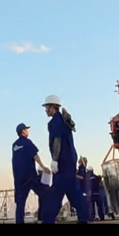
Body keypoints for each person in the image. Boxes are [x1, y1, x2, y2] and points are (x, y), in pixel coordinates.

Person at [41, 95, 89, 225]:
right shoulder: (64, 120)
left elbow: (57, 140)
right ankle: (84, 219)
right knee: (74, 193)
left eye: (46, 107)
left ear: (52, 107)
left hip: (62, 162)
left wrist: (55, 160)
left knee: (56, 194)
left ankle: (48, 221)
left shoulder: (54, 122)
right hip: (70, 161)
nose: (45, 110)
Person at [11, 123, 49, 224]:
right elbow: (35, 155)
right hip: (30, 176)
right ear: (23, 131)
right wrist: (43, 167)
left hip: (19, 179)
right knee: (45, 195)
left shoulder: (14, 145)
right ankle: (45, 218)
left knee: (20, 203)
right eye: (26, 129)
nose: (28, 131)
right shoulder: (27, 142)